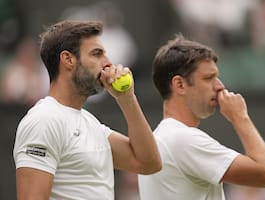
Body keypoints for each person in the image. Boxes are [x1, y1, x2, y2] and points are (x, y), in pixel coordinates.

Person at [13, 20, 161, 200]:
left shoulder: (90, 123)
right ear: (68, 59)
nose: (108, 63)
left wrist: (126, 98)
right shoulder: (43, 120)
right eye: (97, 54)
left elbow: (149, 163)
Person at [138, 34, 265, 200]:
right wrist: (240, 117)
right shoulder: (182, 138)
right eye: (208, 78)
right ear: (180, 85)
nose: (220, 86)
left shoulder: (163, 137)